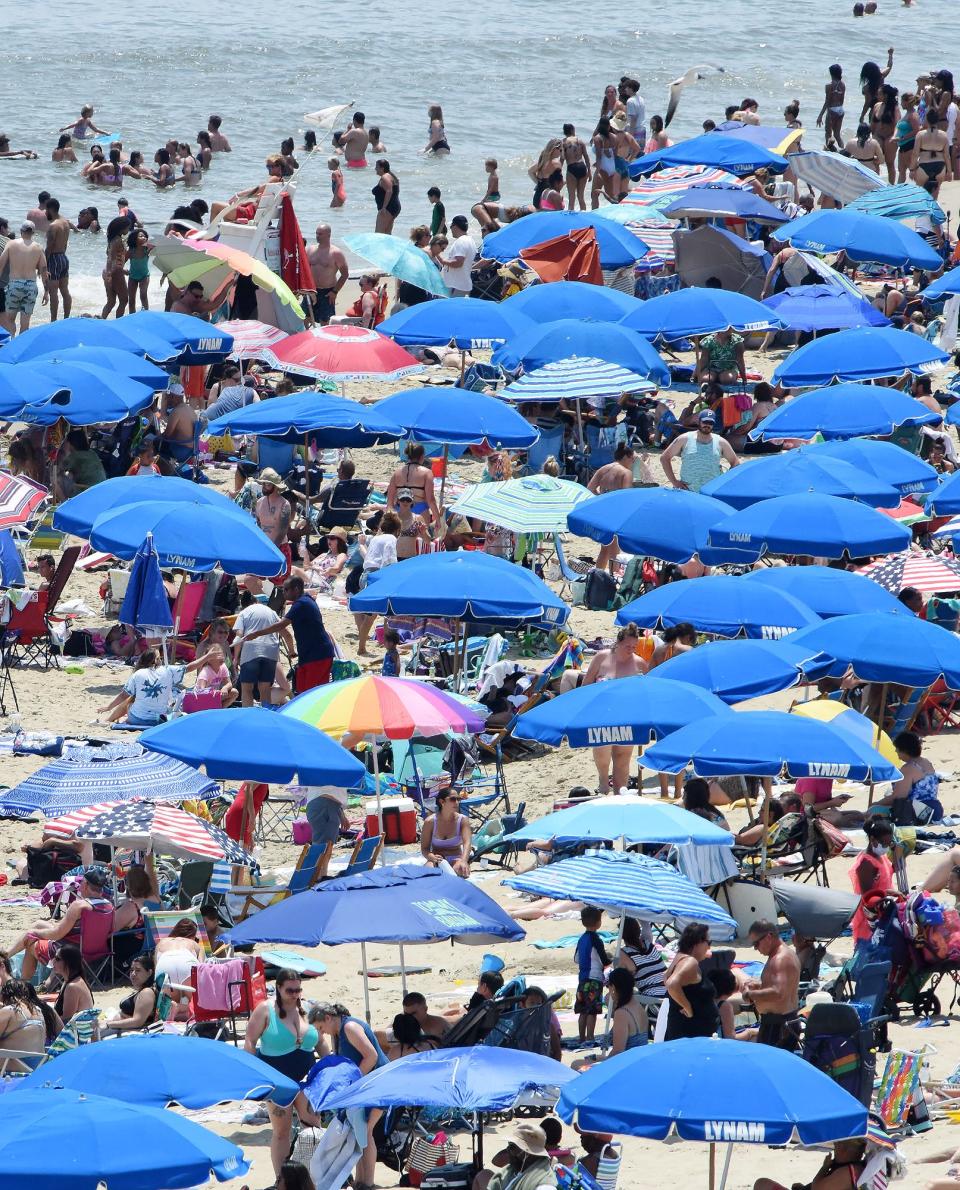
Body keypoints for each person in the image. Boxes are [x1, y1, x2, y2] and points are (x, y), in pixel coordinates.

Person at [246, 972, 322, 1177]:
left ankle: (314, 1177)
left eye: (298, 989)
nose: (295, 994)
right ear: (278, 987)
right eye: (290, 990)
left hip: (307, 1079)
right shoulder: (265, 1009)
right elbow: (250, 1041)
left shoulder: (307, 1009)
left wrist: (331, 1068)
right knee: (282, 1132)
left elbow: (321, 1043)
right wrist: (254, 1076)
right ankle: (282, 1180)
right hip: (277, 1079)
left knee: (314, 1128)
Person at [312, 1002, 388, 1190]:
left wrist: (353, 1084)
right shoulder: (338, 1033)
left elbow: (371, 1056)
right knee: (359, 1133)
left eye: (321, 1028)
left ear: (328, 1018)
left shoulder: (350, 1027)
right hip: (364, 1088)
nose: (322, 1033)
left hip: (377, 1085)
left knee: (366, 1133)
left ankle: (367, 1182)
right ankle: (361, 1181)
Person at [581, 623, 648, 793]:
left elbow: (647, 694)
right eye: (627, 646)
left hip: (628, 716)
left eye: (634, 646)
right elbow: (586, 686)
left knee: (623, 759)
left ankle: (620, 793)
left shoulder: (640, 664)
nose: (631, 649)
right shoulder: (601, 658)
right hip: (602, 715)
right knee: (603, 756)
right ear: (617, 643)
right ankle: (603, 785)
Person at [100, 648, 206, 726]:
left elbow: (123, 695)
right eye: (159, 658)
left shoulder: (138, 674)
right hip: (159, 720)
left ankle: (109, 719)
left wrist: (109, 707)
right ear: (155, 660)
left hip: (137, 719)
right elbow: (189, 667)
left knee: (128, 701)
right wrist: (208, 656)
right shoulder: (168, 670)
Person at [742, 919, 801, 1048]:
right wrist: (759, 985)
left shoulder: (780, 959)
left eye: (756, 943)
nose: (756, 948)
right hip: (780, 1023)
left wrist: (750, 994)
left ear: (769, 937)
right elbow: (783, 987)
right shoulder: (781, 955)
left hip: (778, 1026)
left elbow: (778, 992)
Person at [661, 409, 740, 492]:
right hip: (688, 491)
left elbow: (735, 462)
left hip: (711, 493)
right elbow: (664, 458)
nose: (707, 425)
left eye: (710, 423)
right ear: (699, 421)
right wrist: (675, 482)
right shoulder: (684, 439)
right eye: (705, 422)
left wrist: (724, 481)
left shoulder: (721, 442)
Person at [664, 923, 720, 1039]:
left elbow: (665, 978)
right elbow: (671, 984)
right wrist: (688, 1007)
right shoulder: (690, 962)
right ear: (697, 942)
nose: (709, 947)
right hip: (691, 1035)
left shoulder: (679, 957)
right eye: (708, 943)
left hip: (683, 1032)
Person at [874, 730, 942, 824]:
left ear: (905, 750)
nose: (896, 751)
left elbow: (898, 797)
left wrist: (875, 804)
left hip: (918, 812)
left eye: (897, 748)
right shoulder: (926, 762)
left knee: (873, 812)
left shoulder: (908, 768)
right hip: (936, 810)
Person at [233, 590, 287, 706]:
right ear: (257, 601)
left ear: (243, 605)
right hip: (270, 651)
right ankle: (265, 713)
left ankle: (248, 716)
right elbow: (285, 632)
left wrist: (235, 658)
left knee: (247, 688)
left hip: (251, 650)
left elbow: (239, 636)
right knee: (265, 688)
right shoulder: (271, 611)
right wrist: (291, 650)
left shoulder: (243, 613)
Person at [849, 817, 896, 950]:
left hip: (884, 909)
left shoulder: (881, 856)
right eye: (883, 843)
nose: (886, 847)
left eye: (889, 843)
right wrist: (890, 894)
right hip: (870, 917)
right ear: (872, 840)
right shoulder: (866, 864)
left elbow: (886, 875)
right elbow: (868, 897)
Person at [754, 1140, 867, 1190]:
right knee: (763, 1183)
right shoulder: (849, 1167)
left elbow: (817, 1188)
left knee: (762, 1184)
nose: (835, 1147)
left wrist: (824, 1168)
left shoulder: (850, 1171)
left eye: (837, 1144)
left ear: (844, 1148)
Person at [472, 1123, 556, 1190]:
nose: (507, 1150)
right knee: (483, 1174)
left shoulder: (543, 1185)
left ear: (528, 1153)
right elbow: (495, 1161)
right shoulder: (521, 1167)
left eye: (512, 1146)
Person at [0, 221, 48, 336]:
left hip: (14, 286)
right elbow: (44, 271)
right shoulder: (38, 247)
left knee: (10, 321)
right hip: (31, 286)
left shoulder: (11, 244)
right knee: (25, 323)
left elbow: (1, 266)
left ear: (21, 231)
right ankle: (21, 349)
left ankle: (11, 346)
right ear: (33, 233)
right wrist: (46, 292)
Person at [0, 979, 54, 1070]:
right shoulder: (38, 1011)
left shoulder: (10, 1011)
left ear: (5, 994)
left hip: (10, 1071)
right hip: (36, 1070)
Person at [575, 907, 609, 1044]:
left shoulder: (581, 939)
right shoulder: (596, 939)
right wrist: (612, 960)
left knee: (583, 1009)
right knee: (592, 1010)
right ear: (598, 923)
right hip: (594, 977)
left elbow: (576, 959)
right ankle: (590, 1037)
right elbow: (604, 960)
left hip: (582, 978)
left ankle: (581, 1037)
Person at [420, 787, 472, 877]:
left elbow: (467, 843)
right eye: (452, 799)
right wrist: (431, 857)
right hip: (437, 859)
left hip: (456, 857)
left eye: (458, 799)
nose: (456, 802)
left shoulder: (462, 820)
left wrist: (464, 861)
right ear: (442, 802)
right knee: (427, 873)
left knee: (460, 871)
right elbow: (424, 848)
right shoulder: (430, 822)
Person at [387, 443, 441, 527]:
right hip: (420, 510)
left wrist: (388, 518)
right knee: (419, 538)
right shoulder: (427, 473)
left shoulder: (397, 473)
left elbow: (390, 501)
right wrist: (438, 520)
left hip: (399, 509)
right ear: (422, 456)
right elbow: (431, 500)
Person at [103, 954, 158, 1034]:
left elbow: (138, 1021)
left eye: (138, 970)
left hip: (126, 1033)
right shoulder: (142, 990)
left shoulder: (147, 993)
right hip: (119, 1028)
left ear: (149, 972)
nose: (133, 974)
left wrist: (108, 1024)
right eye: (131, 970)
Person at [305, 224, 349, 325]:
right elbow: (305, 271)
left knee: (324, 321)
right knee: (305, 317)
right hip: (311, 290)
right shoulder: (309, 250)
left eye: (320, 234)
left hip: (327, 292)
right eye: (316, 233)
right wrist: (305, 288)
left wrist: (335, 291)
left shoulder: (336, 253)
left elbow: (345, 274)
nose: (317, 236)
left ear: (328, 235)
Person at [617, 916, 667, 1000]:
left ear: (622, 936)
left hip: (655, 999)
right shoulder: (648, 943)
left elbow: (623, 978)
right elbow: (645, 924)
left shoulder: (623, 953)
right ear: (638, 930)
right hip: (672, 991)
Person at [255, 467, 293, 574]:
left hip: (279, 547)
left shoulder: (284, 504)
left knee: (278, 583)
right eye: (263, 484)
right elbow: (258, 525)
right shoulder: (259, 503)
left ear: (275, 486)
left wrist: (272, 550)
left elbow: (283, 530)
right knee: (252, 579)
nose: (264, 487)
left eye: (267, 484)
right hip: (264, 547)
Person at [154, 917, 205, 992]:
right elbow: (202, 968)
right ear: (191, 936)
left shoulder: (162, 942)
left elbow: (156, 966)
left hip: (165, 965)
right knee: (195, 1000)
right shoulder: (193, 943)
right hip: (187, 964)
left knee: (169, 1001)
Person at [608, 965, 647, 1055]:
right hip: (640, 1059)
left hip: (628, 1063)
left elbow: (618, 1052)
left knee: (576, 1064)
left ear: (613, 987)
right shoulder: (639, 1007)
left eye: (608, 986)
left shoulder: (622, 1013)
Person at [43, 198, 71, 320]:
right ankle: (66, 318)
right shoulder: (65, 222)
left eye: (46, 210)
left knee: (53, 292)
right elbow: (65, 244)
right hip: (64, 258)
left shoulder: (53, 226)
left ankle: (53, 321)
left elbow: (49, 248)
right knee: (65, 290)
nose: (45, 213)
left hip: (54, 258)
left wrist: (43, 265)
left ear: (50, 209)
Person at [59, 429, 107, 499]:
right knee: (70, 475)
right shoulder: (91, 452)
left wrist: (64, 452)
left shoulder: (75, 456)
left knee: (57, 479)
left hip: (88, 489)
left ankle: (64, 502)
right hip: (101, 487)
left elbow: (59, 469)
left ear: (70, 443)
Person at [913, 109, 951, 196]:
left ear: (927, 119)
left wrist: (912, 169)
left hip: (924, 166)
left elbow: (915, 154)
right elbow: (947, 156)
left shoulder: (920, 134)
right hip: (940, 166)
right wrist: (949, 171)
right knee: (935, 196)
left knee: (921, 195)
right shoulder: (944, 135)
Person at [439, 215, 477, 297]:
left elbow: (458, 263)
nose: (450, 229)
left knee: (450, 308)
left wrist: (443, 261)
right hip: (462, 284)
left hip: (456, 286)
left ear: (455, 226)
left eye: (451, 226)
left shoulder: (461, 241)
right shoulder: (470, 240)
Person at [561, 123, 591, 210]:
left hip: (572, 168)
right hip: (582, 167)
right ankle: (584, 217)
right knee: (581, 197)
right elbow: (586, 156)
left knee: (571, 197)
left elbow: (562, 158)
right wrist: (589, 172)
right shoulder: (580, 141)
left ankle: (571, 220)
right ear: (572, 130)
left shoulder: (563, 142)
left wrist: (558, 172)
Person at [126, 226, 151, 313]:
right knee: (131, 299)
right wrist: (123, 270)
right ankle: (132, 316)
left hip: (144, 275)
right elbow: (121, 263)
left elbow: (157, 248)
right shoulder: (131, 251)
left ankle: (145, 314)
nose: (144, 237)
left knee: (143, 295)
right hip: (132, 276)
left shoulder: (147, 250)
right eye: (141, 236)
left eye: (145, 236)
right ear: (134, 239)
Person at [372, 159, 401, 234]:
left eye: (377, 167)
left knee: (379, 234)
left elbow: (389, 191)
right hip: (394, 207)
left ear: (382, 168)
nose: (375, 169)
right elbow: (396, 187)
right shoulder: (391, 176)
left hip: (387, 208)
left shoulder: (385, 177)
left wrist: (384, 207)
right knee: (387, 233)